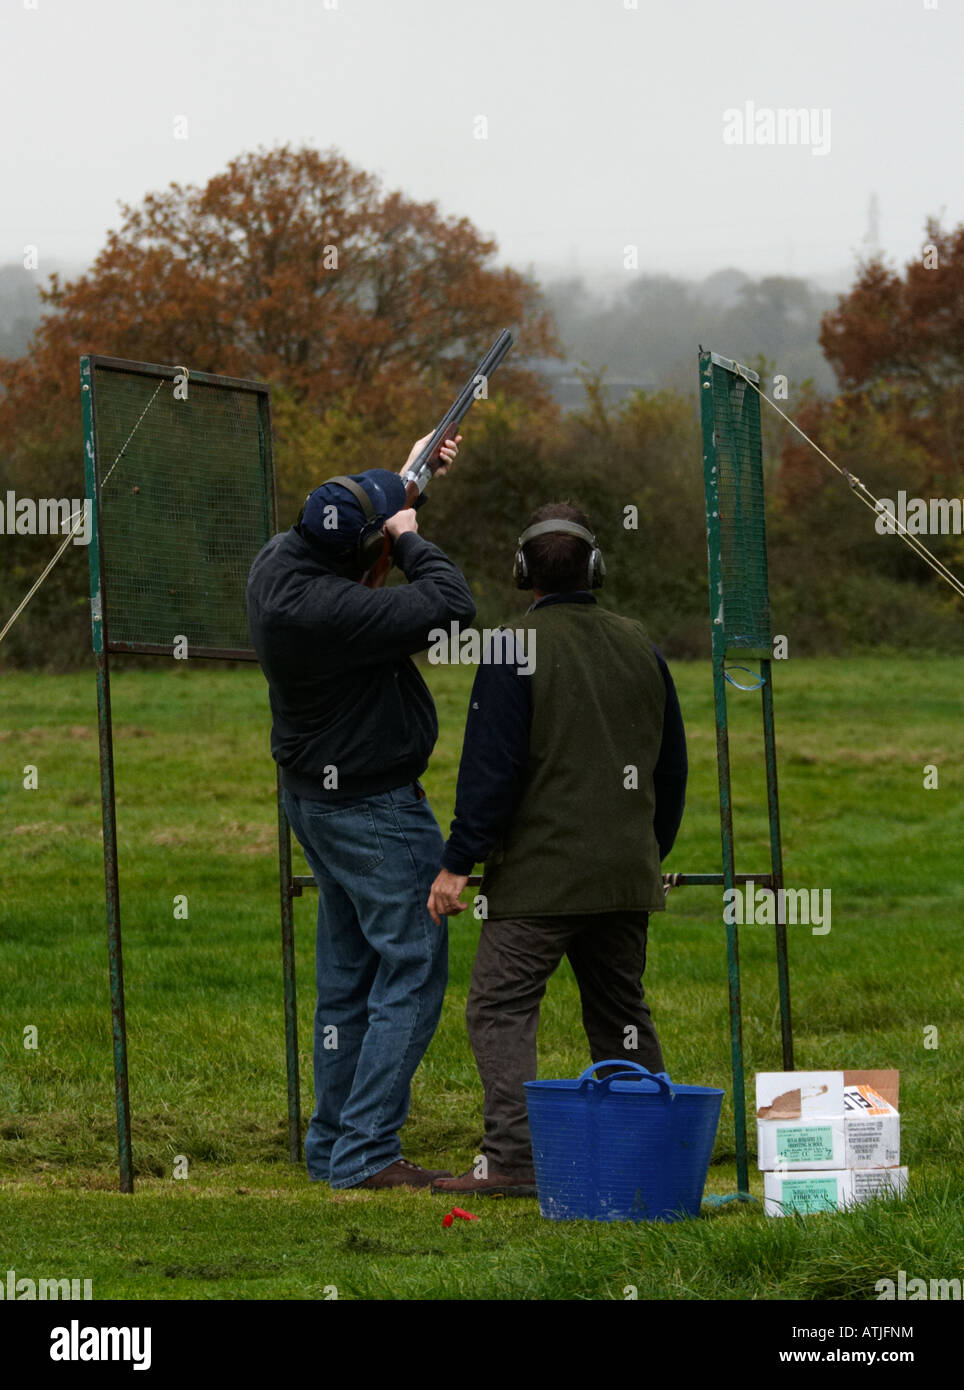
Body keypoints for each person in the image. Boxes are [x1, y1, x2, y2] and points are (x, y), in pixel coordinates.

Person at [427, 501, 687, 1197]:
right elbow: (672, 770)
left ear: (522, 573)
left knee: (501, 1008)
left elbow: (490, 773)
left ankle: (513, 1161)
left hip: (539, 882)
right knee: (621, 1014)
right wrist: (642, 850)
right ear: (596, 567)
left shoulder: (512, 646)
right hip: (627, 875)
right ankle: (650, 1154)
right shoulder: (642, 644)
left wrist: (458, 863)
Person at [246, 434, 475, 1190]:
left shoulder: (282, 559)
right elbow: (452, 606)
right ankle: (370, 1154)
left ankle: (331, 1151)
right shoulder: (334, 610)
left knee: (347, 981)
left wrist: (414, 480)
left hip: (317, 801)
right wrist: (411, 536)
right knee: (411, 967)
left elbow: (356, 535)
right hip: (374, 810)